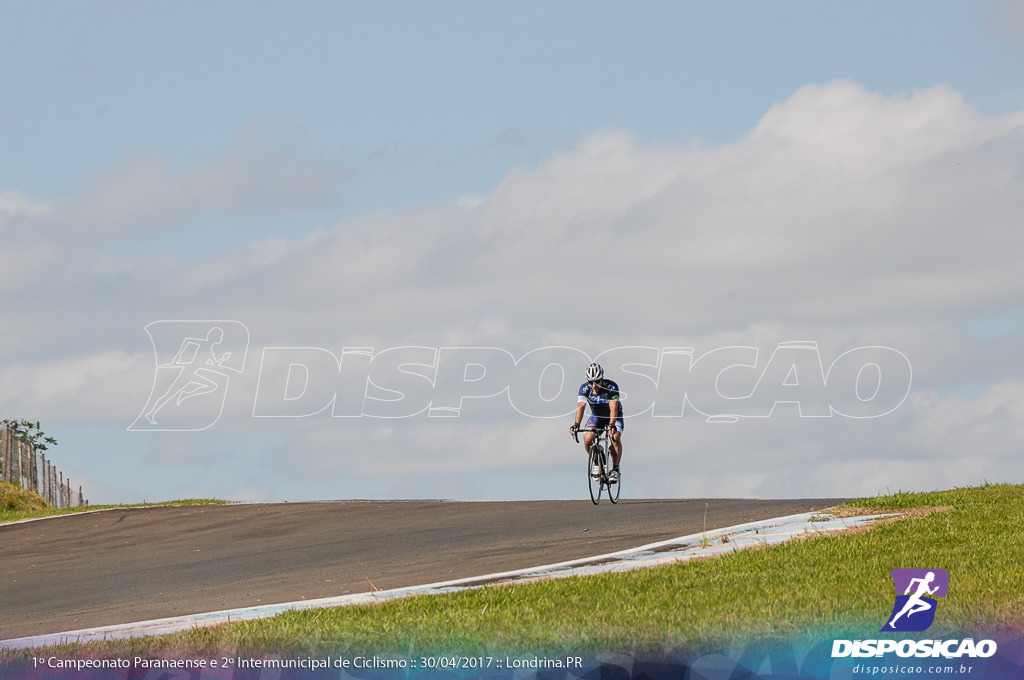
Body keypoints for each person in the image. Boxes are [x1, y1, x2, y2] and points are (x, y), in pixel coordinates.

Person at [569, 363, 624, 483]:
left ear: (602, 379)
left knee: (614, 436)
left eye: (597, 381)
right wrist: (576, 424)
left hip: (614, 416)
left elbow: (613, 407)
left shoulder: (611, 386)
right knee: (587, 438)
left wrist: (612, 424)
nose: (594, 385)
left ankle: (615, 468)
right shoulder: (584, 389)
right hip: (597, 417)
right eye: (590, 382)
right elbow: (581, 407)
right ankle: (597, 463)